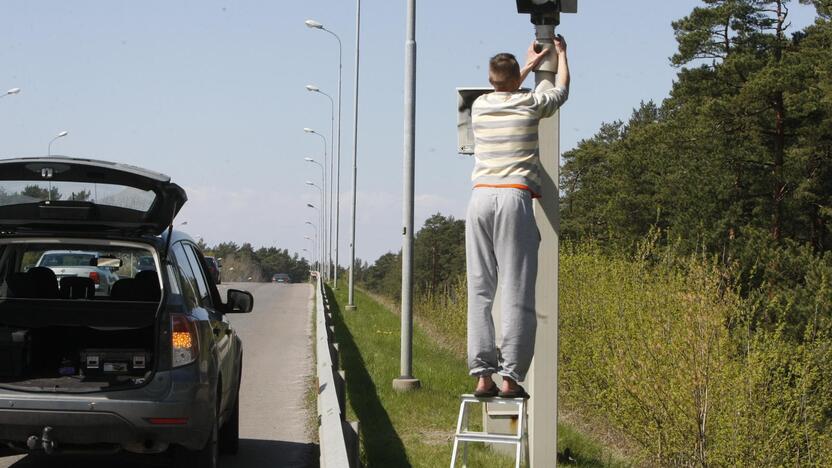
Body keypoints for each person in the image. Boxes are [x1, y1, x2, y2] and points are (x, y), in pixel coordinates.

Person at [467, 36, 570, 399]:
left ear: (491, 80)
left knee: (480, 290)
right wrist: (561, 56)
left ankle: (482, 375)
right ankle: (510, 377)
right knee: (516, 289)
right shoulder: (529, 104)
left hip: (479, 199)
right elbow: (560, 92)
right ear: (516, 81)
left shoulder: (479, 106)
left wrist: (524, 66)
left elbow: (506, 87)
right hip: (514, 196)